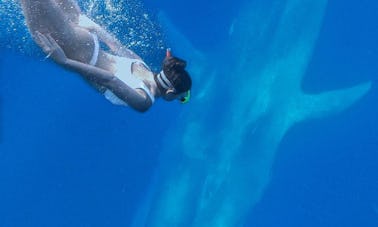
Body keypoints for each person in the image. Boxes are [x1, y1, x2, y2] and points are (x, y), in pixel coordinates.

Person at [20, 0, 192, 112]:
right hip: (78, 51)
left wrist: (87, 22)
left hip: (89, 36)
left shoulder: (143, 65)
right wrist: (65, 61)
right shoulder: (144, 102)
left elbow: (115, 45)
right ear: (170, 92)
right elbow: (109, 79)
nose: (180, 99)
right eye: (181, 98)